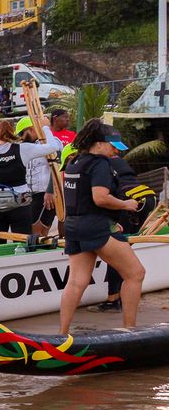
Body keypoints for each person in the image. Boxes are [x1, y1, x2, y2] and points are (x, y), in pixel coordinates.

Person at [59, 120, 145, 333]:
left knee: (77, 281)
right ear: (98, 144)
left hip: (74, 227)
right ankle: (130, 330)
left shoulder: (74, 161)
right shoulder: (100, 164)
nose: (115, 150)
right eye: (112, 145)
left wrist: (111, 220)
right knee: (135, 274)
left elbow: (80, 198)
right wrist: (126, 204)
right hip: (95, 227)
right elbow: (100, 197)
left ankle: (62, 333)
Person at [0, 119, 59, 244]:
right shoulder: (23, 149)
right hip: (20, 205)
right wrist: (45, 128)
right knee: (23, 244)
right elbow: (53, 147)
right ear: (12, 132)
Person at [94, 153, 157, 312]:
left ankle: (113, 299)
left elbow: (104, 196)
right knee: (123, 248)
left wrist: (110, 222)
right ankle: (120, 296)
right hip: (147, 198)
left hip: (131, 200)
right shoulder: (118, 160)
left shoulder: (96, 164)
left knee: (116, 251)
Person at [15, 117, 58, 236]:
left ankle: (40, 253)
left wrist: (50, 191)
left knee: (39, 230)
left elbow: (56, 168)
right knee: (32, 230)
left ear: (31, 129)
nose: (21, 138)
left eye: (22, 134)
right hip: (30, 194)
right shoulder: (25, 147)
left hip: (45, 193)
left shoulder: (49, 143)